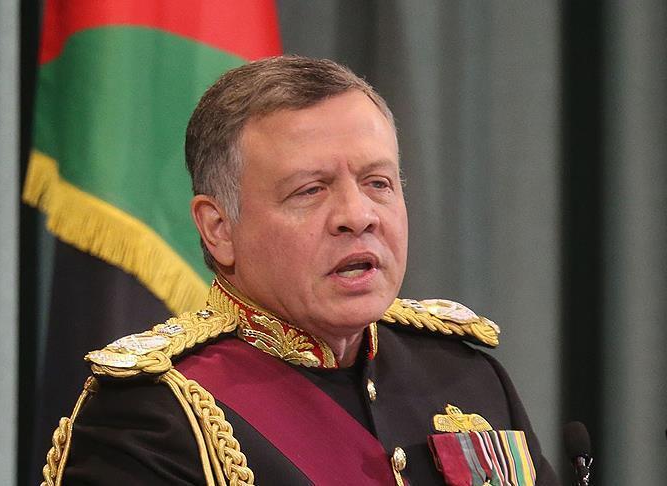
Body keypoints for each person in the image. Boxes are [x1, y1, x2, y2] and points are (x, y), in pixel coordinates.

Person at [41, 55, 559, 485]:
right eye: (310, 191)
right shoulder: (149, 417)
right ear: (219, 229)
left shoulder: (465, 376)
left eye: (378, 183)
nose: (358, 215)